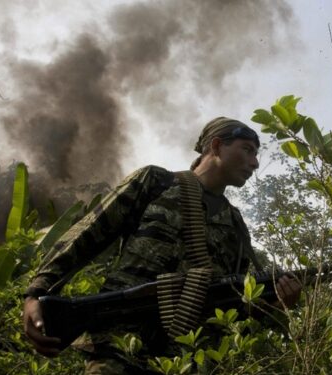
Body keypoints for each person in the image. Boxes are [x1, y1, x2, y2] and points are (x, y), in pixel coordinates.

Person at [22, 117, 302, 374]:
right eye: (248, 150)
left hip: (186, 361)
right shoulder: (156, 182)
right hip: (120, 345)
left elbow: (234, 301)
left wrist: (276, 305)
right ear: (216, 146)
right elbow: (88, 234)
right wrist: (36, 292)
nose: (254, 162)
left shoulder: (236, 224)